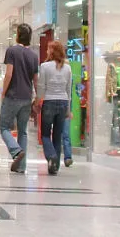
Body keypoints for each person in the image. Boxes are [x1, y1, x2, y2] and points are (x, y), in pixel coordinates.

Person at [0, 24, 39, 173]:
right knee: (23, 131)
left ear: (18, 35)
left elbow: (9, 74)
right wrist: (38, 98)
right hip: (27, 97)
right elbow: (36, 80)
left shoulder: (12, 51)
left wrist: (3, 92)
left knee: (3, 126)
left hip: (13, 95)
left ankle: (15, 151)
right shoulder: (34, 56)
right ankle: (21, 167)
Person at [38, 40, 73, 175]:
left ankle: (51, 156)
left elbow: (41, 86)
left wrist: (37, 101)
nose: (47, 51)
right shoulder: (68, 68)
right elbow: (68, 90)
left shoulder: (45, 66)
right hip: (63, 102)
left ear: (52, 51)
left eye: (48, 49)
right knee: (57, 135)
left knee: (46, 135)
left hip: (49, 102)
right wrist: (68, 109)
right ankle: (55, 167)